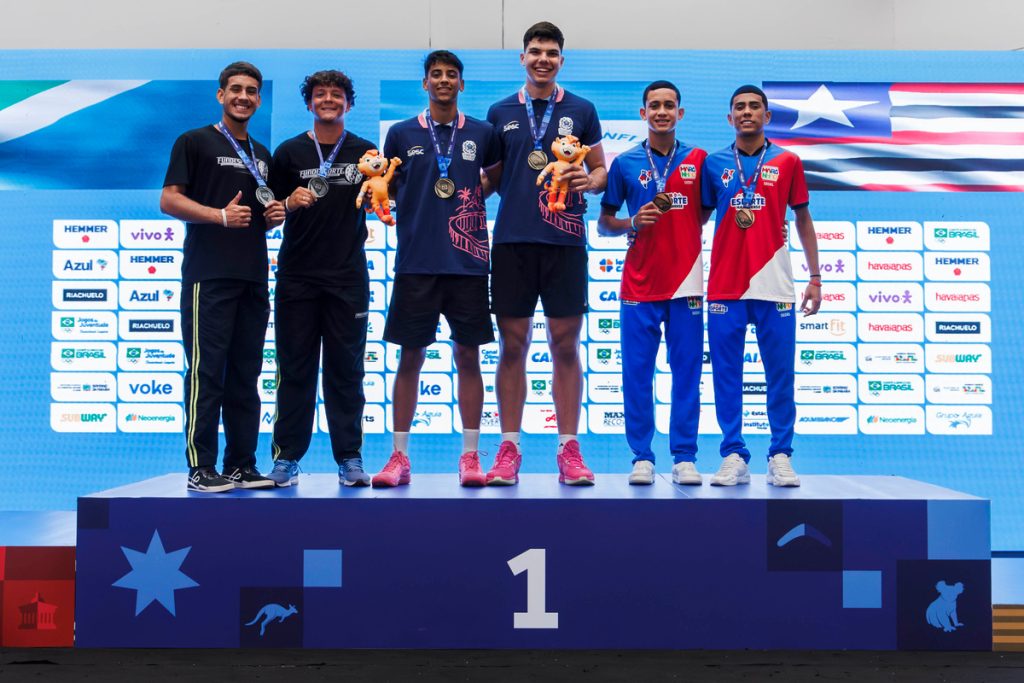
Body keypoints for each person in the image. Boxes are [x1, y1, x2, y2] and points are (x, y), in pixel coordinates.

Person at [484, 21, 606, 486]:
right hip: (512, 241)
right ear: (522, 58)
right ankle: (509, 448)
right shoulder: (499, 112)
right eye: (535, 51)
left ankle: (568, 449)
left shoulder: (582, 109)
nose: (543, 59)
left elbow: (599, 171)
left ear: (561, 60)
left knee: (565, 346)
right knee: (512, 346)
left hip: (565, 242)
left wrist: (587, 181)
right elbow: (492, 181)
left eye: (551, 53)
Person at [374, 51, 501, 488]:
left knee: (469, 356)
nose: (443, 80)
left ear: (461, 84)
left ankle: (470, 456)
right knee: (410, 356)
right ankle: (399, 457)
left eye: (451, 75)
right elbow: (390, 186)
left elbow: (495, 175)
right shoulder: (401, 133)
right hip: (417, 261)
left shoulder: (482, 132)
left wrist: (471, 197)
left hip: (468, 263)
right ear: (424, 83)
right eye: (436, 74)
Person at [160, 61, 284, 492]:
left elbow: (256, 216)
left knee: (245, 376)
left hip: (252, 277)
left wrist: (274, 215)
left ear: (259, 99)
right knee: (206, 373)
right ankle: (201, 467)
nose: (243, 97)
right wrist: (218, 215)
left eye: (251, 91)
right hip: (208, 276)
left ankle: (241, 465)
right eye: (236, 89)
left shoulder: (262, 155)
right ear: (220, 95)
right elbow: (169, 200)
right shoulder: (193, 141)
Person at [699, 85, 821, 487]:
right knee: (726, 376)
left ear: (767, 116)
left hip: (775, 286)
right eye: (739, 107)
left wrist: (815, 277)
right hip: (726, 287)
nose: (747, 112)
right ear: (729, 118)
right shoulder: (714, 163)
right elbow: (695, 220)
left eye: (755, 107)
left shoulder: (788, 161)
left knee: (780, 376)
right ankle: (733, 454)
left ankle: (780, 455)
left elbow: (803, 219)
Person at [262, 70, 376, 488]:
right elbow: (268, 213)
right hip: (298, 277)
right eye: (320, 94)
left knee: (347, 372)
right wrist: (287, 202)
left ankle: (350, 458)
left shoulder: (366, 152)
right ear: (309, 103)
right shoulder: (289, 152)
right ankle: (286, 458)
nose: (328, 99)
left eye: (337, 94)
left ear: (349, 103)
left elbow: (386, 197)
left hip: (348, 278)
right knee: (295, 370)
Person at [597, 81, 707, 486]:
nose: (662, 112)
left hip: (686, 285)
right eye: (654, 106)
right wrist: (632, 222)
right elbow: (604, 223)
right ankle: (642, 456)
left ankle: (684, 457)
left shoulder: (699, 160)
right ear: (643, 113)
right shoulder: (625, 162)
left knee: (687, 374)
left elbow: (712, 209)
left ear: (680, 113)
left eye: (669, 105)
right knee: (637, 375)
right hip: (639, 287)